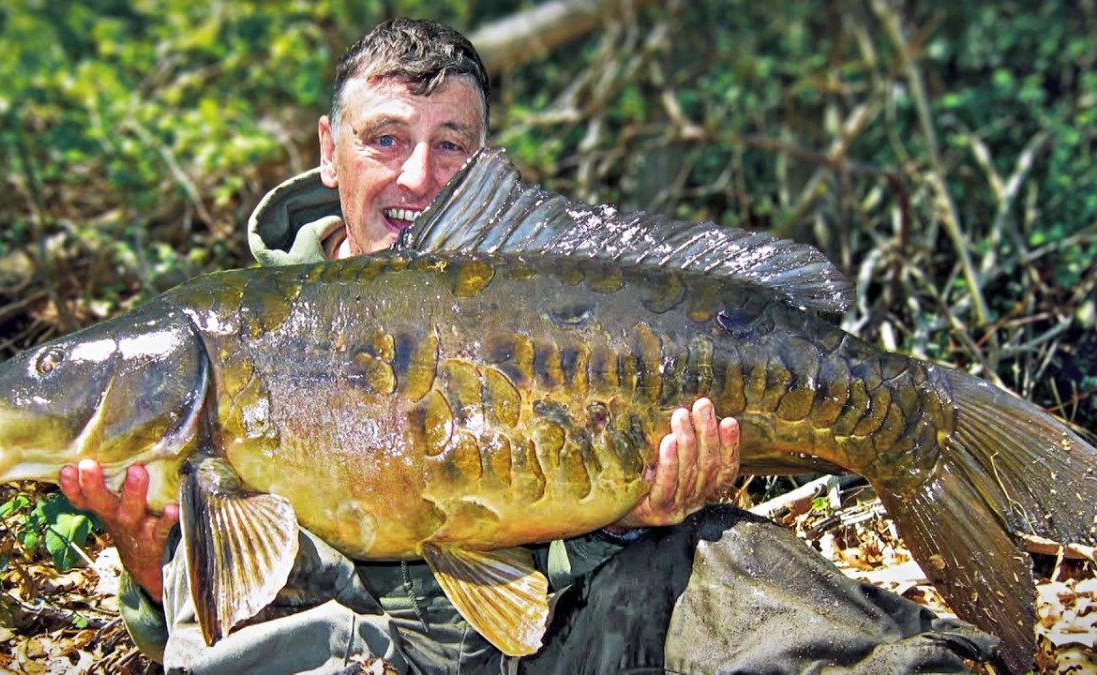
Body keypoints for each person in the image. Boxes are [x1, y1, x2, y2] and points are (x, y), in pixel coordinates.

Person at [62, 18, 997, 673]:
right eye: (385, 139)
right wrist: (149, 556)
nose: (418, 177)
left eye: (452, 146)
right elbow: (202, 630)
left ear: (487, 157)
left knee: (732, 566)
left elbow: (552, 564)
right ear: (326, 147)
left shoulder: (541, 292)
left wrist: (636, 512)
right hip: (360, 652)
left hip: (552, 640)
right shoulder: (229, 335)